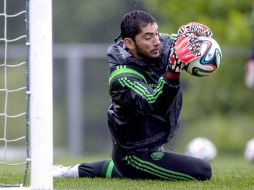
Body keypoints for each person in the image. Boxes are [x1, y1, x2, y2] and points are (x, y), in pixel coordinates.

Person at [53, 10, 213, 181]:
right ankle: (124, 168)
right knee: (202, 170)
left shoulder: (155, 46)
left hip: (150, 147)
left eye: (157, 34)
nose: (156, 41)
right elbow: (155, 103)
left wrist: (195, 37)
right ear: (129, 42)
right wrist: (173, 71)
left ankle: (70, 171)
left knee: (130, 169)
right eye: (148, 37)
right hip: (134, 154)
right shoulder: (121, 77)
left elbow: (182, 44)